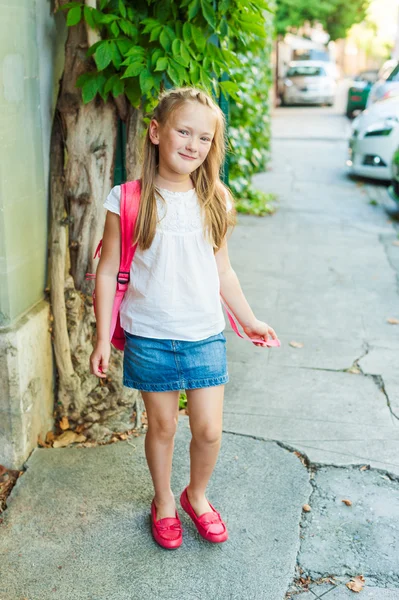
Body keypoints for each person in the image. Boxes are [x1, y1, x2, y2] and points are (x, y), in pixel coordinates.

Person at [90, 86, 278, 550]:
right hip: (149, 335)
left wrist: (248, 319)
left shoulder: (214, 198)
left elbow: (223, 270)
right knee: (163, 427)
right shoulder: (128, 198)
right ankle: (164, 501)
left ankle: (196, 495)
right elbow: (108, 268)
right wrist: (99, 336)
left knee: (209, 429)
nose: (193, 145)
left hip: (204, 334)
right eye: (183, 132)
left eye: (204, 138)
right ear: (156, 132)